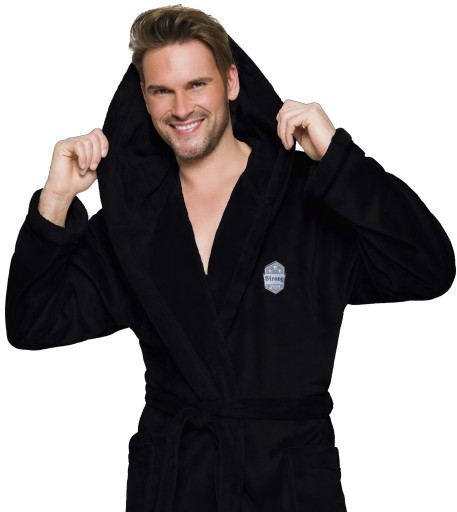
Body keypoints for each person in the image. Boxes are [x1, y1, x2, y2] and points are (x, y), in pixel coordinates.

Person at [5, 5, 455, 512]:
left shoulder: (306, 198)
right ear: (144, 98)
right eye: (162, 90)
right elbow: (32, 323)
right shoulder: (134, 222)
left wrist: (338, 159)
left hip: (288, 486)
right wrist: (56, 199)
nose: (181, 108)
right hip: (175, 485)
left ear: (232, 82)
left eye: (197, 84)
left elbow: (429, 268)